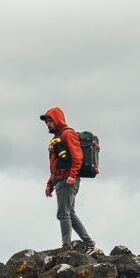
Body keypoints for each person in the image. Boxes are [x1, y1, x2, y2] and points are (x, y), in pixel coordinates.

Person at [39, 105, 95, 250]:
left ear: (57, 120)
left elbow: (78, 156)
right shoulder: (57, 139)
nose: (48, 124)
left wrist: (72, 174)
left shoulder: (67, 134)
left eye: (50, 121)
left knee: (63, 214)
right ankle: (90, 244)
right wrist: (50, 184)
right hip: (61, 179)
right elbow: (55, 165)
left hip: (67, 179)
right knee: (70, 213)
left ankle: (66, 245)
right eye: (46, 122)